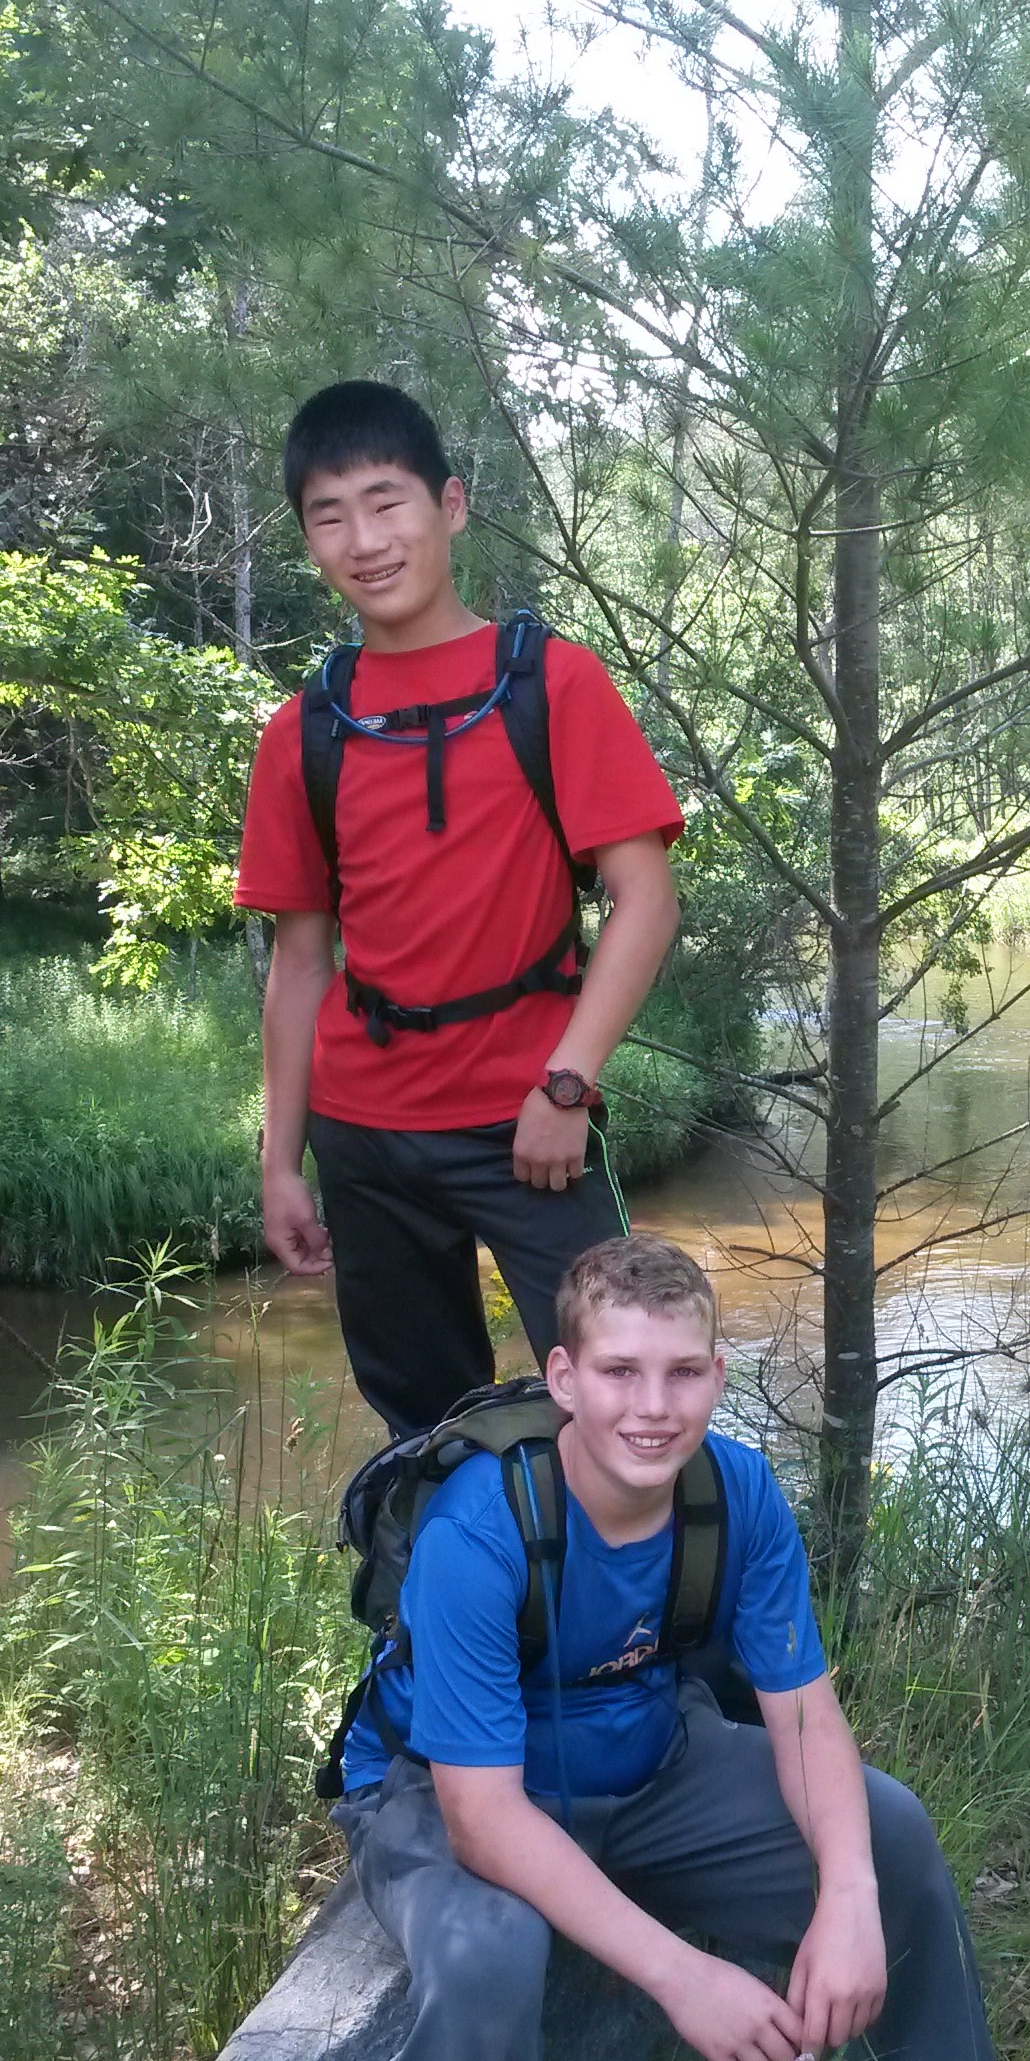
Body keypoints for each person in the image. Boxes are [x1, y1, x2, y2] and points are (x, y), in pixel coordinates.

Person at [330, 1232, 1017, 2061]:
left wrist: (849, 1895)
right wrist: (683, 1974)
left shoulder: (734, 1493)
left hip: (655, 1767)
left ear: (716, 1372)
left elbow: (805, 1717)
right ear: (562, 1377)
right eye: (621, 1373)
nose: (654, 1408)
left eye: (685, 1373)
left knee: (891, 1830)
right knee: (487, 1956)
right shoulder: (481, 1536)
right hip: (448, 1795)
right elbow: (484, 1821)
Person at [235, 379, 684, 1436]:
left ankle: (640, 1607)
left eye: (387, 501)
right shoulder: (302, 732)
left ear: (451, 505)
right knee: (427, 1437)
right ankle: (441, 1608)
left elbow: (646, 902)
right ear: (307, 537)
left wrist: (566, 1087)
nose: (365, 539)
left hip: (532, 1123)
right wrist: (280, 1164)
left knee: (628, 1401)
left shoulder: (552, 685)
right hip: (367, 1138)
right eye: (329, 515)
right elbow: (301, 966)